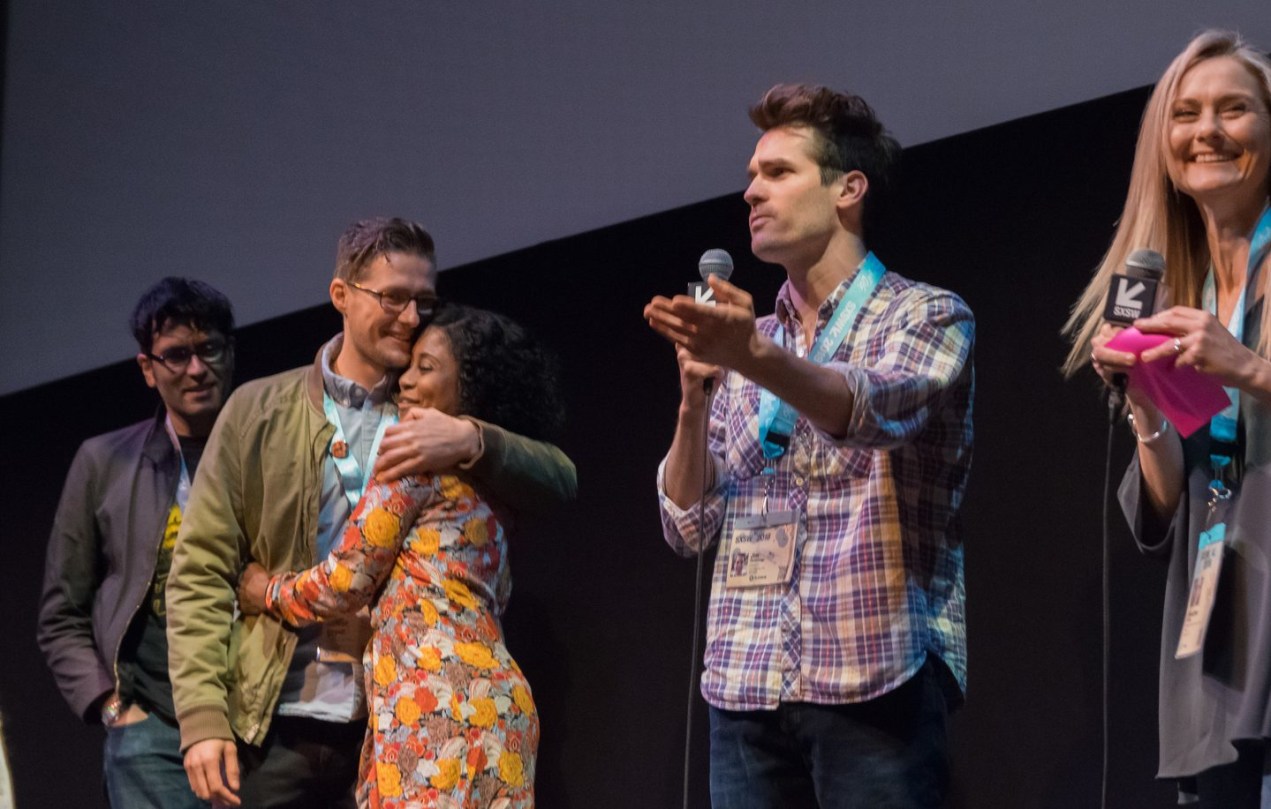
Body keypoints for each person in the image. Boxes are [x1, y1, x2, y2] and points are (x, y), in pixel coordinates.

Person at [167, 218, 577, 809]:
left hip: (402, 718)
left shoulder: (436, 409)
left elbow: (560, 479)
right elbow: (200, 571)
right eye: (393, 297)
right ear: (342, 296)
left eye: (424, 301)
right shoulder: (258, 410)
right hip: (284, 716)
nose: (412, 317)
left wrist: (471, 438)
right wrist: (202, 720)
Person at [644, 84, 974, 808]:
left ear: (847, 189)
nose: (751, 192)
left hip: (870, 677)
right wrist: (693, 401)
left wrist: (754, 360)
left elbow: (869, 410)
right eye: (750, 177)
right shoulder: (747, 340)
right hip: (743, 680)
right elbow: (687, 524)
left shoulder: (926, 313)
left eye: (777, 172)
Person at [237, 304, 562, 808]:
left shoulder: (411, 457)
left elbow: (343, 582)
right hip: (504, 709)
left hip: (432, 708)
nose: (405, 381)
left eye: (426, 369)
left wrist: (266, 590)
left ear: (470, 389)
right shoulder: (496, 484)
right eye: (408, 366)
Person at [1066, 29, 1271, 808]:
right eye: (1184, 114)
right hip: (1216, 642)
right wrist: (1144, 407)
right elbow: (1161, 508)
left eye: (1234, 109)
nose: (1206, 130)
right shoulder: (1171, 292)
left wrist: (1247, 365)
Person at [38, 277, 235, 808]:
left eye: (208, 349)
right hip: (154, 731)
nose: (196, 369)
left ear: (229, 351)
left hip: (258, 718)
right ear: (147, 368)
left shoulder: (267, 449)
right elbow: (61, 613)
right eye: (175, 355)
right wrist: (112, 706)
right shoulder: (104, 462)